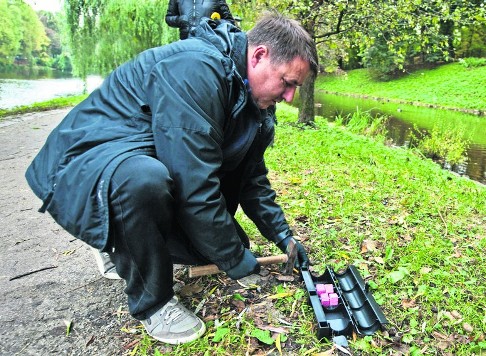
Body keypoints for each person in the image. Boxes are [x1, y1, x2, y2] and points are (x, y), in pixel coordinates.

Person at [25, 12, 318, 345]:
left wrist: (283, 236)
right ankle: (153, 302)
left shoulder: (257, 105)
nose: (291, 97)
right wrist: (237, 262)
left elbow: (252, 180)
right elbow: (193, 183)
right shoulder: (196, 68)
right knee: (144, 182)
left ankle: (120, 235)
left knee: (219, 248)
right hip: (86, 165)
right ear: (259, 55)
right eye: (288, 82)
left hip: (143, 158)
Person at [166, 0, 235, 40]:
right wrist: (181, 20)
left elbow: (229, 21)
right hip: (186, 42)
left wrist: (214, 23)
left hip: (209, 43)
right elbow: (169, 18)